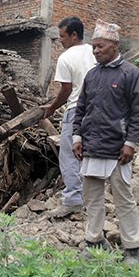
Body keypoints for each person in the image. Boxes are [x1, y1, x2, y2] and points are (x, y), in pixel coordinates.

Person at [72, 19, 139, 265]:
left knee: (123, 199)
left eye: (100, 46)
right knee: (92, 198)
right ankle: (94, 242)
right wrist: (77, 137)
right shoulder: (92, 75)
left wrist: (131, 143)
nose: (95, 51)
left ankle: (134, 248)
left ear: (115, 45)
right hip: (92, 148)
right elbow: (80, 109)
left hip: (117, 150)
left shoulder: (131, 74)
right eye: (93, 46)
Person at [43, 16, 96, 218]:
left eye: (62, 36)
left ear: (74, 35)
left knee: (69, 155)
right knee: (89, 155)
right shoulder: (95, 51)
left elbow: (66, 90)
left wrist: (52, 107)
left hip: (75, 111)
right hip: (96, 113)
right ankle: (90, 197)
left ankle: (73, 199)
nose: (60, 40)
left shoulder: (66, 57)